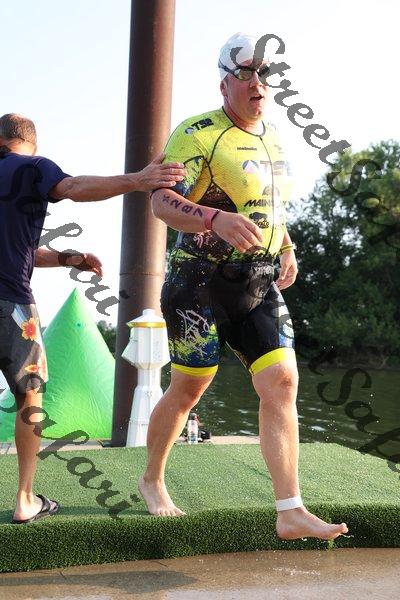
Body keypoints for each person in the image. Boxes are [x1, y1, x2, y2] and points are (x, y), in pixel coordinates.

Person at [138, 33, 349, 541]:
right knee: (190, 388)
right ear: (224, 84)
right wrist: (214, 218)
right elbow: (162, 202)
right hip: (198, 283)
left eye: (265, 74)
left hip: (258, 281)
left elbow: (270, 205)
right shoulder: (198, 134)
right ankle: (152, 479)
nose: (258, 83)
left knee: (283, 381)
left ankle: (290, 510)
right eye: (246, 74)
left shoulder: (273, 136)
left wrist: (287, 245)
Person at [0, 113, 185, 524]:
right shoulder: (34, 166)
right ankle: (25, 499)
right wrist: (138, 180)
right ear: (31, 141)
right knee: (30, 395)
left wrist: (70, 258)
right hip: (10, 305)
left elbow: (22, 251)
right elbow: (73, 187)